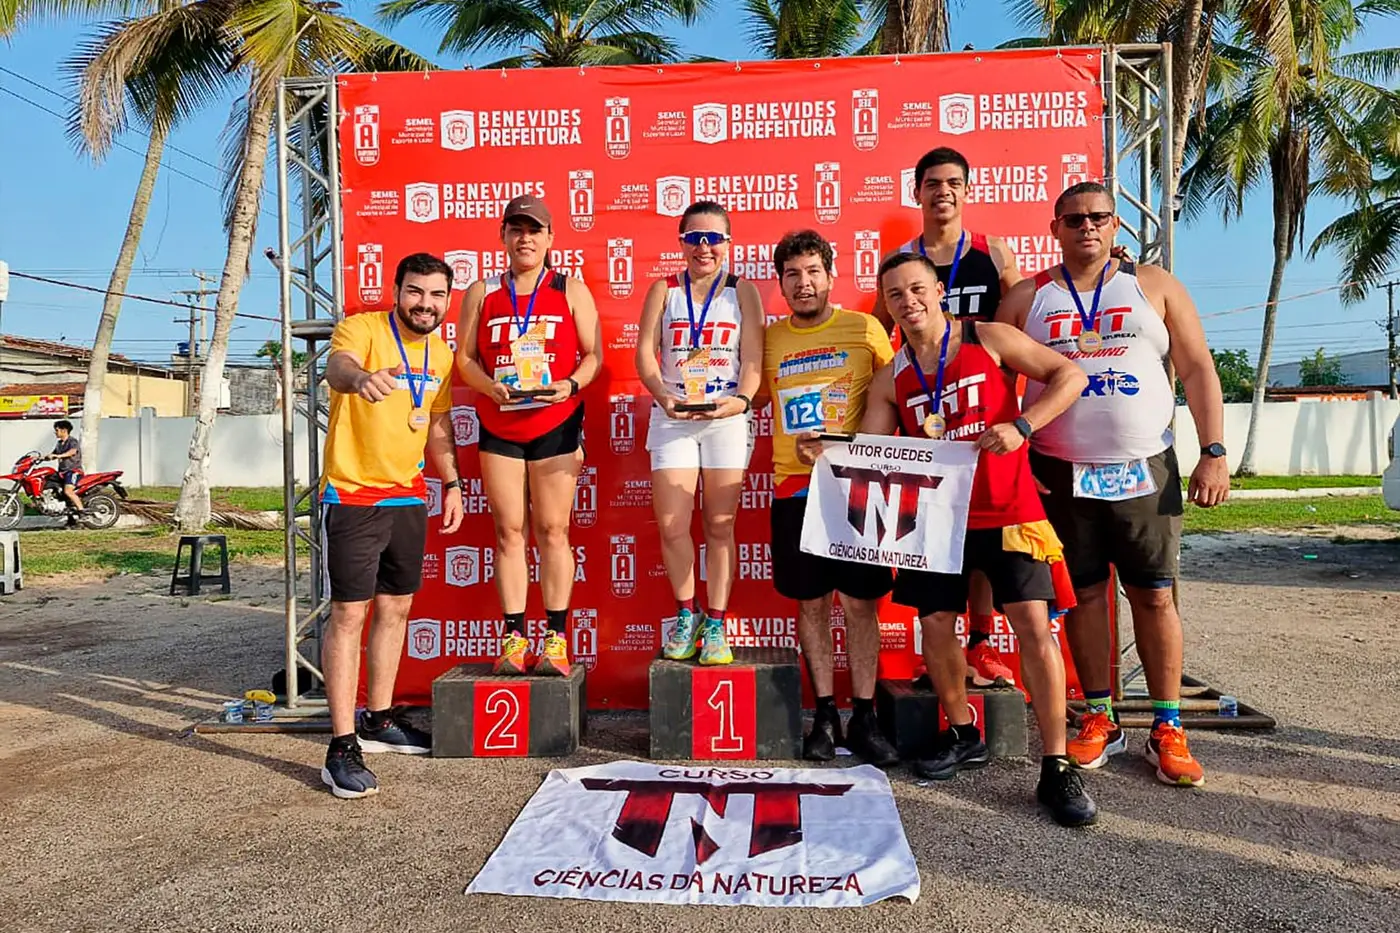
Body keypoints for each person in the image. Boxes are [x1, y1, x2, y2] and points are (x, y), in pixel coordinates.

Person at [1000, 181, 1228, 787]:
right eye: (1074, 219)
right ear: (1055, 228)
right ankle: (1100, 715)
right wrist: (1013, 463)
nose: (1087, 227)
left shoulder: (1154, 285)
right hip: (1058, 470)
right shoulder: (1027, 297)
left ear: (1116, 224)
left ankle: (1167, 726)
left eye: (1098, 217)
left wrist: (1213, 451)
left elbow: (1197, 368)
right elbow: (996, 381)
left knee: (1154, 595)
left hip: (1144, 466)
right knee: (1085, 596)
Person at [855, 251, 1095, 826]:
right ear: (886, 305)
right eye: (895, 294)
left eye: (917, 289)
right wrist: (827, 452)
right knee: (936, 625)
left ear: (939, 291)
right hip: (937, 521)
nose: (908, 301)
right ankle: (964, 733)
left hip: (1009, 510)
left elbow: (1072, 375)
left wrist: (1024, 425)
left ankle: (1057, 764)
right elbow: (871, 451)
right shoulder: (893, 376)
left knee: (1033, 627)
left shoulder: (987, 337)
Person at [877, 146, 1027, 691]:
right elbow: (880, 334)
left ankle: (982, 642)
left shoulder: (993, 251)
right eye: (932, 183)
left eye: (953, 183)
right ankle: (944, 652)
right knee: (942, 533)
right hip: (926, 411)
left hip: (984, 408)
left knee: (987, 535)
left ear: (967, 189)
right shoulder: (901, 261)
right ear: (916, 192)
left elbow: (1022, 315)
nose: (943, 192)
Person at [319, 252, 465, 799]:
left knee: (396, 609)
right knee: (349, 615)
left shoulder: (442, 354)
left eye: (436, 295)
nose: (425, 303)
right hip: (353, 493)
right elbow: (336, 368)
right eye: (415, 291)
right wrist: (361, 379)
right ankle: (341, 747)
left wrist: (452, 483)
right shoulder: (361, 329)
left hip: (408, 495)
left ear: (447, 301)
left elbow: (438, 425)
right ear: (397, 290)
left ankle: (378, 719)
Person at [763, 229, 899, 768]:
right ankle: (824, 714)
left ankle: (864, 715)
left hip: (857, 483)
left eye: (813, 272)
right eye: (792, 274)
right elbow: (744, 392)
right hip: (794, 487)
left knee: (861, 604)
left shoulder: (865, 329)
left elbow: (897, 393)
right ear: (780, 284)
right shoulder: (769, 339)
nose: (804, 283)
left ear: (831, 276)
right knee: (812, 603)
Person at [456, 195, 603, 678]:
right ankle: (514, 637)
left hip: (554, 422)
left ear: (550, 238)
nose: (525, 238)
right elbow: (464, 359)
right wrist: (488, 387)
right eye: (516, 229)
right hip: (500, 421)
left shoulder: (570, 289)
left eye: (534, 230)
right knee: (508, 532)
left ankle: (555, 639)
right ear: (502, 236)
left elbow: (594, 355)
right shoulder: (482, 292)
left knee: (554, 530)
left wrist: (570, 385)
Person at [637, 201, 764, 666]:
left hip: (724, 416)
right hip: (674, 416)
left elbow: (753, 357)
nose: (704, 247)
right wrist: (661, 395)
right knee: (673, 524)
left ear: (729, 243)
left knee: (720, 525)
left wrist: (742, 401)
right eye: (694, 238)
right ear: (682, 243)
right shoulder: (664, 289)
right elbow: (645, 354)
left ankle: (716, 622)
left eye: (713, 239)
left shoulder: (743, 291)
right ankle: (686, 614)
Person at [47, 420, 85, 517]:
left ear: (64, 430)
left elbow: (72, 452)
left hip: (73, 471)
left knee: (68, 491)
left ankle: (82, 513)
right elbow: (53, 454)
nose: (55, 432)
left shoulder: (72, 441)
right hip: (62, 472)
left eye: (57, 430)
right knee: (58, 491)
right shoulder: (59, 443)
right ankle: (69, 516)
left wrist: (59, 456)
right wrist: (39, 458)